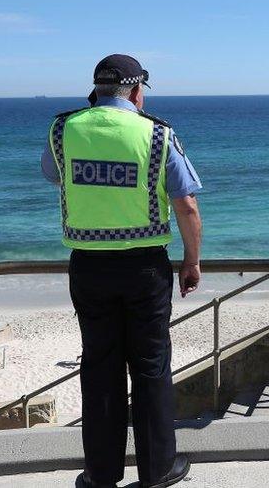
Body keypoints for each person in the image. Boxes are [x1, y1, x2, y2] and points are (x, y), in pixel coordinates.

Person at [41, 54, 202, 488]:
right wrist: (191, 261)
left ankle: (101, 474)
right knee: (150, 366)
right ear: (135, 90)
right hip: (145, 268)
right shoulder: (157, 133)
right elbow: (186, 205)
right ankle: (157, 470)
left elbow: (53, 175)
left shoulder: (63, 129)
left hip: (88, 267)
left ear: (96, 89)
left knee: (99, 367)